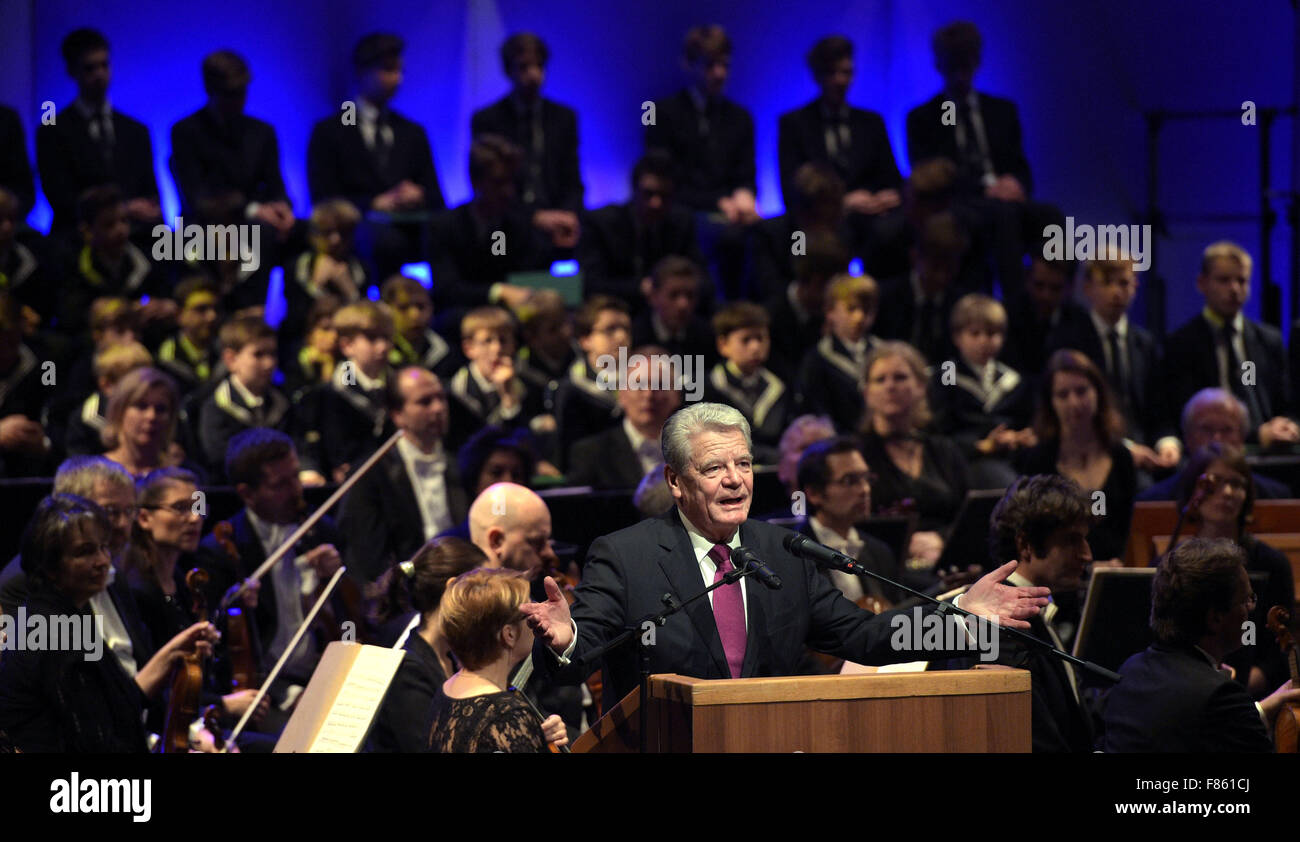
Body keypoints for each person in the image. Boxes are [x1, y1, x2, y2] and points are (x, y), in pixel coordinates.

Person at [521, 402, 1050, 712]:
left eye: (744, 464)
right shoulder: (625, 554)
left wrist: (959, 620)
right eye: (714, 469)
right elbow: (580, 652)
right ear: (675, 482)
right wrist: (567, 640)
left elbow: (864, 637)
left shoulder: (782, 550)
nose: (734, 480)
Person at [0, 494, 217, 752]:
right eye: (85, 552)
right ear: (49, 565)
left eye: (103, 547)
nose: (103, 562)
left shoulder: (67, 617)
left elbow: (122, 704)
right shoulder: (52, 631)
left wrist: (173, 653)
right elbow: (93, 740)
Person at [1102, 537, 1300, 752]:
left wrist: (1258, 711)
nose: (1250, 609)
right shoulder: (1220, 695)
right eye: (1246, 600)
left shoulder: (1131, 671)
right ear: (1215, 618)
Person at [306, 33, 445, 277]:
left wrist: (418, 195)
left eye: (399, 71)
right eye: (387, 70)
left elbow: (436, 197)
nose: (397, 79)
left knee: (448, 232)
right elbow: (323, 197)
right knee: (385, 241)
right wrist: (373, 203)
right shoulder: (331, 131)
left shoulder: (411, 132)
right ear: (362, 72)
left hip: (411, 223)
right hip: (358, 225)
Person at [1169, 443, 1295, 695]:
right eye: (1214, 482)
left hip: (1253, 693)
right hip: (1187, 692)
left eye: (1237, 484)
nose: (1227, 492)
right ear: (1193, 490)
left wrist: (1235, 692)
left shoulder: (1272, 564)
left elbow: (1278, 655)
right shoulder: (1173, 564)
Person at [983, 475, 1097, 752]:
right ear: (1026, 545)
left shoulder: (1035, 611)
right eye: (1072, 540)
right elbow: (1027, 734)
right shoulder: (1005, 625)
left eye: (1085, 540)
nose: (1087, 554)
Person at [777, 35, 903, 269]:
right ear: (817, 76)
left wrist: (884, 197)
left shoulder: (872, 122)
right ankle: (801, 295)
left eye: (846, 73)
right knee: (798, 239)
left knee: (891, 232)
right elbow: (790, 190)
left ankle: (880, 298)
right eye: (831, 73)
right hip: (816, 218)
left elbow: (892, 178)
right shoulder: (794, 123)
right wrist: (841, 202)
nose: (839, 81)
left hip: (869, 218)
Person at [337, 366, 467, 582]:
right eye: (425, 402)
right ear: (397, 415)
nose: (438, 408)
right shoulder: (370, 473)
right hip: (405, 592)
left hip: (463, 584)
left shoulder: (462, 463)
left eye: (441, 398)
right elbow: (369, 557)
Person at [1162, 241, 1296, 446]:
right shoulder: (1181, 344)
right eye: (1224, 280)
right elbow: (1185, 418)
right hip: (1208, 451)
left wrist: (1288, 424)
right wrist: (1254, 436)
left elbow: (1285, 403)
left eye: (1241, 281)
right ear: (1202, 283)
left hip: (1267, 452)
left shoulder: (1268, 340)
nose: (1234, 289)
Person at [1046, 254, 1171, 470]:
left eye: (1123, 283)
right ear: (1087, 287)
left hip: (1147, 449)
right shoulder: (1068, 341)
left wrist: (1167, 443)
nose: (1116, 292)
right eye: (1106, 283)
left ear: (1135, 286)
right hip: (1095, 451)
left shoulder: (1145, 343)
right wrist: (1124, 448)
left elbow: (1159, 406)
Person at [36, 29, 161, 237]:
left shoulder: (136, 130)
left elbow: (151, 195)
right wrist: (126, 209)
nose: (99, 75)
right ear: (71, 71)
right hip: (78, 241)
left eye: (104, 65)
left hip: (135, 238)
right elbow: (62, 200)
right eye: (89, 68)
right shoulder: (53, 131)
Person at [1015, 349, 1136, 563]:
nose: (1074, 403)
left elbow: (1130, 531)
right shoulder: (1039, 460)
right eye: (1063, 395)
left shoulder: (1121, 456)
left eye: (1081, 391)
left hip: (1115, 571)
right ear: (1050, 402)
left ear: (1098, 392)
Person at [367, 537, 487, 751]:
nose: (490, 603)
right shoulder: (407, 671)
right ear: (454, 589)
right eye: (483, 589)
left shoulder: (451, 657)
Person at [428, 568, 566, 753]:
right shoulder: (508, 715)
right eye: (529, 611)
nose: (537, 617)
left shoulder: (446, 691)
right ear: (509, 634)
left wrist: (535, 736)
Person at [168, 50, 295, 245]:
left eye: (242, 91)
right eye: (230, 94)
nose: (239, 100)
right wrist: (253, 210)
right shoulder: (186, 132)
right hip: (207, 226)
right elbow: (198, 199)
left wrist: (282, 209)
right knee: (259, 233)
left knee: (311, 232)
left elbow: (276, 185)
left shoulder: (262, 132)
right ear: (210, 90)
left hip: (261, 222)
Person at [471, 33, 583, 247]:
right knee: (506, 239)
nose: (533, 75)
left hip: (558, 217)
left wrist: (569, 216)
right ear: (508, 70)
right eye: (523, 67)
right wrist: (532, 217)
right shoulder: (488, 120)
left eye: (539, 66)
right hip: (509, 221)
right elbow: (488, 189)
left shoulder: (564, 118)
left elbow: (573, 179)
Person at [858, 342, 971, 549]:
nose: (890, 386)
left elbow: (968, 519)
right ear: (866, 393)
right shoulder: (857, 455)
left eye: (900, 377)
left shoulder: (944, 450)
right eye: (880, 380)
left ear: (921, 386)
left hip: (944, 558)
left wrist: (942, 539)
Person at [579, 151, 710, 311]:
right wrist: (642, 288)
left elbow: (702, 279)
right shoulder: (601, 223)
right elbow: (592, 285)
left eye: (664, 195)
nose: (656, 203)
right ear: (634, 190)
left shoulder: (682, 223)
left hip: (668, 314)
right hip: (618, 310)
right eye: (649, 194)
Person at [928, 293, 1034, 488]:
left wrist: (1018, 437)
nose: (984, 341)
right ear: (957, 337)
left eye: (992, 334)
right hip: (963, 460)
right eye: (975, 333)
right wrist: (982, 445)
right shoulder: (946, 375)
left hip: (1008, 459)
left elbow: (1022, 421)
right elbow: (940, 430)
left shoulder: (1010, 379)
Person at [297, 301, 395, 482]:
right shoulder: (330, 392)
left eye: (387, 338)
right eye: (372, 338)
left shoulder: (396, 386)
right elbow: (311, 447)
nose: (383, 347)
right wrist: (311, 470)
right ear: (347, 345)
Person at [1139, 389, 1291, 500]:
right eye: (1206, 429)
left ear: (1242, 438)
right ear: (1187, 437)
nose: (1217, 439)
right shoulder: (1151, 501)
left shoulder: (1277, 497)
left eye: (1227, 430)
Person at [567, 350, 682, 489]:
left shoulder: (693, 451)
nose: (648, 394)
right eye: (638, 385)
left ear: (676, 395)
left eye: (659, 384)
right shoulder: (591, 454)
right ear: (621, 395)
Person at [196, 315, 291, 479]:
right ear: (231, 359)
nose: (269, 363)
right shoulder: (216, 407)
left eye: (272, 354)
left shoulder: (282, 402)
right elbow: (220, 459)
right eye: (258, 354)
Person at [703, 301, 791, 464]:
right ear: (723, 345)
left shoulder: (778, 387)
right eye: (746, 340)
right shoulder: (708, 387)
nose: (755, 347)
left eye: (760, 338)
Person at [796, 273, 880, 434]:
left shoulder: (881, 353)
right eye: (851, 308)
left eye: (867, 310)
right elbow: (816, 414)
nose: (859, 317)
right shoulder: (817, 359)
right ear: (830, 311)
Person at [553, 295, 630, 466]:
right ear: (585, 340)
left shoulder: (644, 383)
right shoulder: (572, 389)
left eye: (626, 329)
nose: (621, 337)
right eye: (610, 329)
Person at [102, 367, 191, 479]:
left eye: (160, 409)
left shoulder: (184, 475)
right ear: (119, 411)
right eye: (141, 406)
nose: (151, 416)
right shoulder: (93, 474)